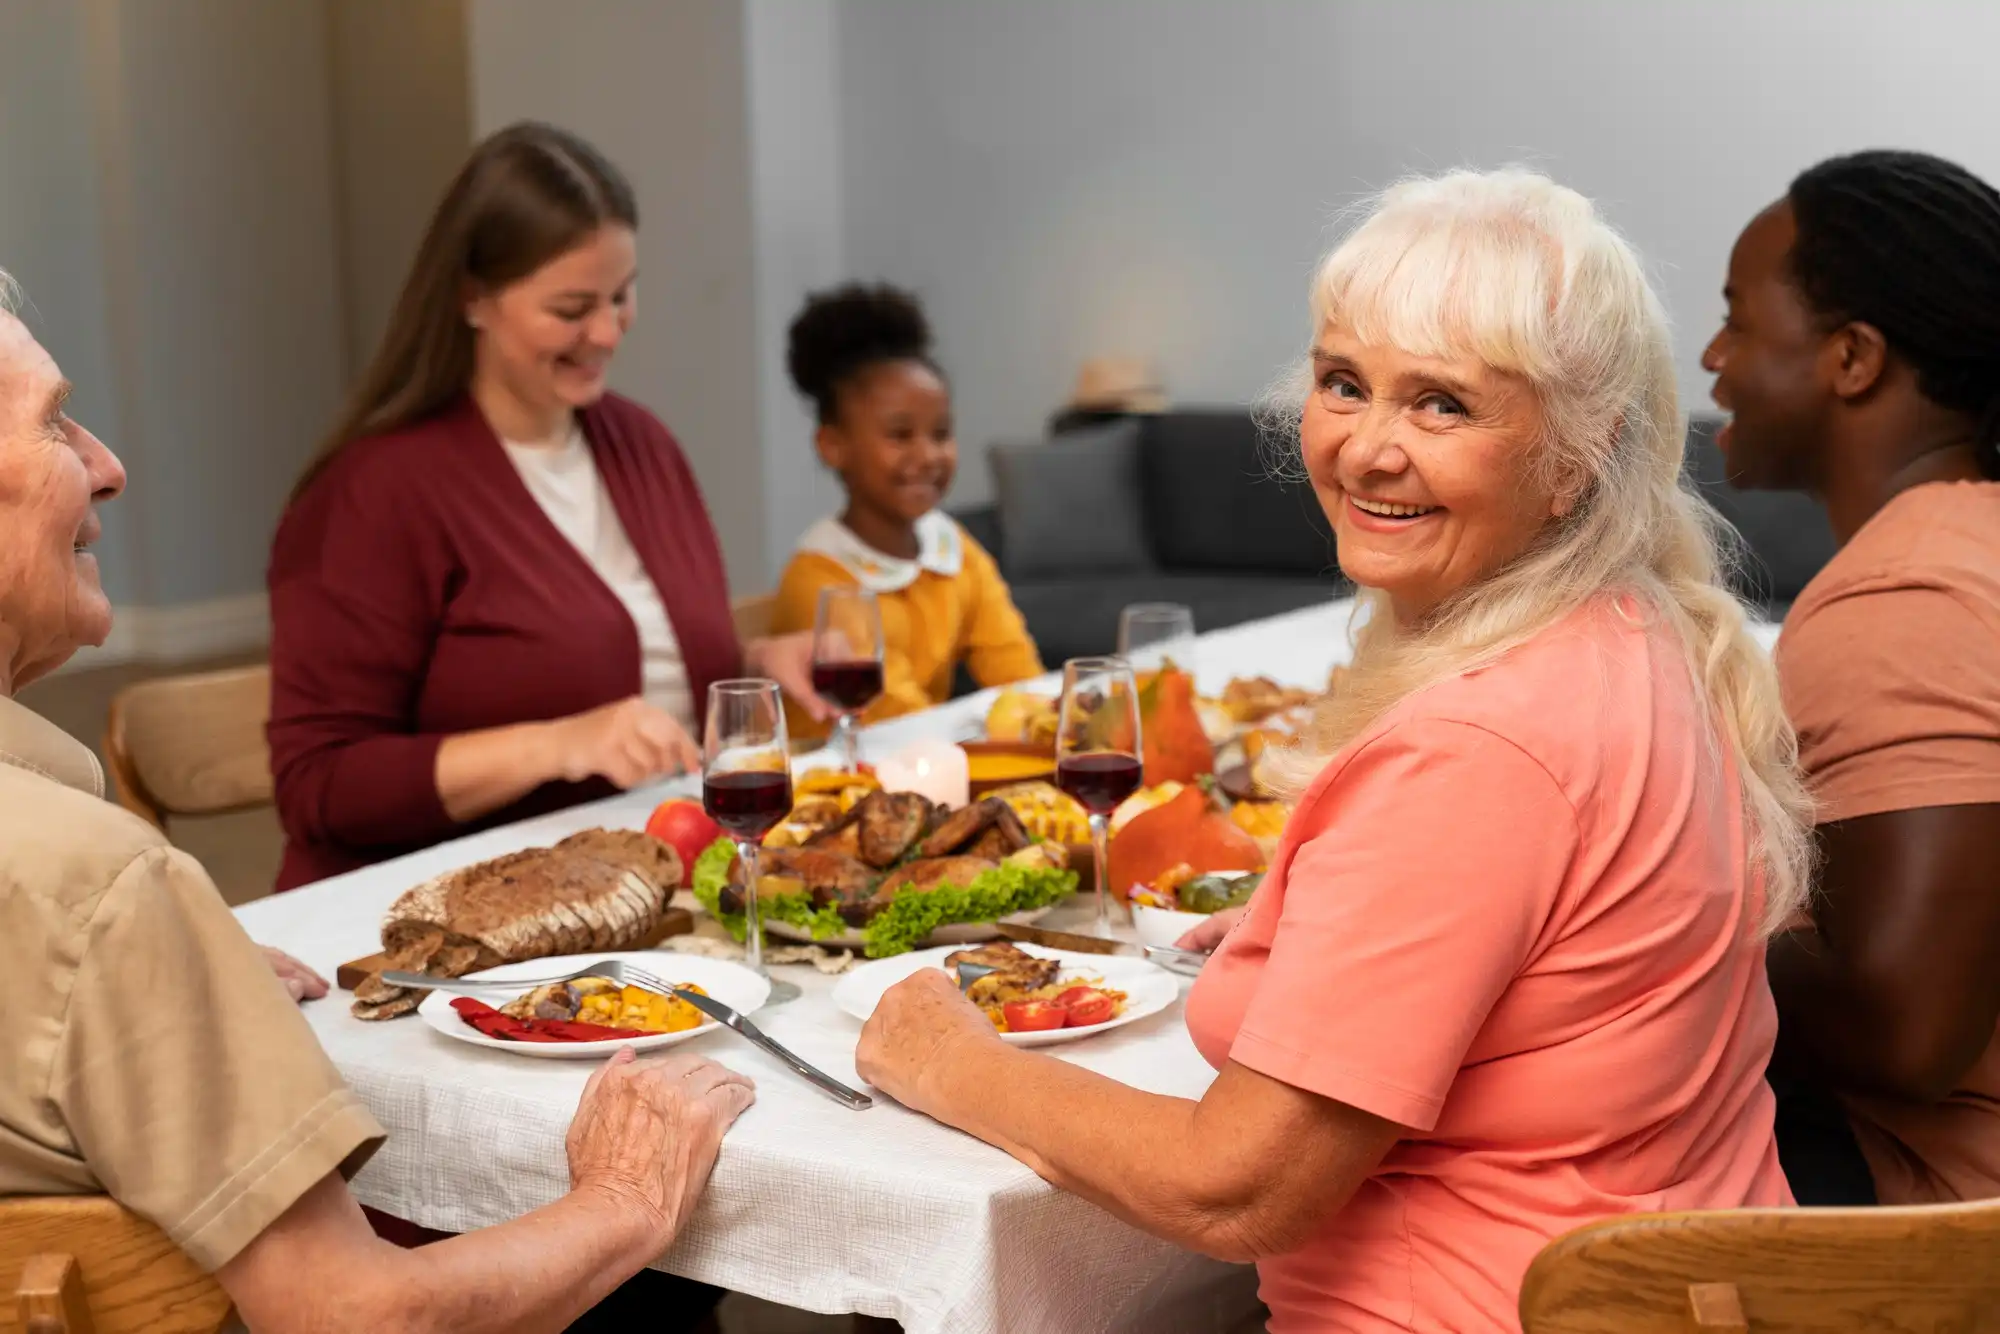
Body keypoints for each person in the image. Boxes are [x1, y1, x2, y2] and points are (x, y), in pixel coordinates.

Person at [854, 169, 1810, 1332]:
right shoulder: (1646, 627)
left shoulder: (1472, 745)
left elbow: (1236, 1185)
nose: (1365, 450)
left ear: (1576, 451)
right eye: (1343, 383)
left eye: (1442, 405)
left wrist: (949, 1062)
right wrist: (1313, 916)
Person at [0, 267, 756, 1333]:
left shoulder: (91, 912)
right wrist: (629, 1201)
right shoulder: (97, 891)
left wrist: (144, 983)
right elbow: (361, 1317)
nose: (110, 468)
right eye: (56, 422)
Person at [268, 121, 830, 891]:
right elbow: (319, 786)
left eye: (622, 295)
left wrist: (754, 660)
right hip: (434, 920)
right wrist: (560, 744)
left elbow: (635, 659)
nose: (606, 331)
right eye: (571, 308)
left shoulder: (643, 445)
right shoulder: (374, 493)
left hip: (641, 889)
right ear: (473, 298)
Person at [1703, 148, 2000, 1206]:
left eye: (1737, 318)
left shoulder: (1901, 600)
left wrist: (1661, 919)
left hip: (1941, 1228)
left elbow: (1904, 1027)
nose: (1710, 354)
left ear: (1850, 357)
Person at [770, 284, 1041, 740]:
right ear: (833, 446)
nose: (928, 454)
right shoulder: (819, 582)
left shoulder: (953, 551)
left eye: (941, 433)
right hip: (832, 782)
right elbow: (896, 720)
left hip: (918, 766)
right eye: (900, 435)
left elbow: (1018, 675)